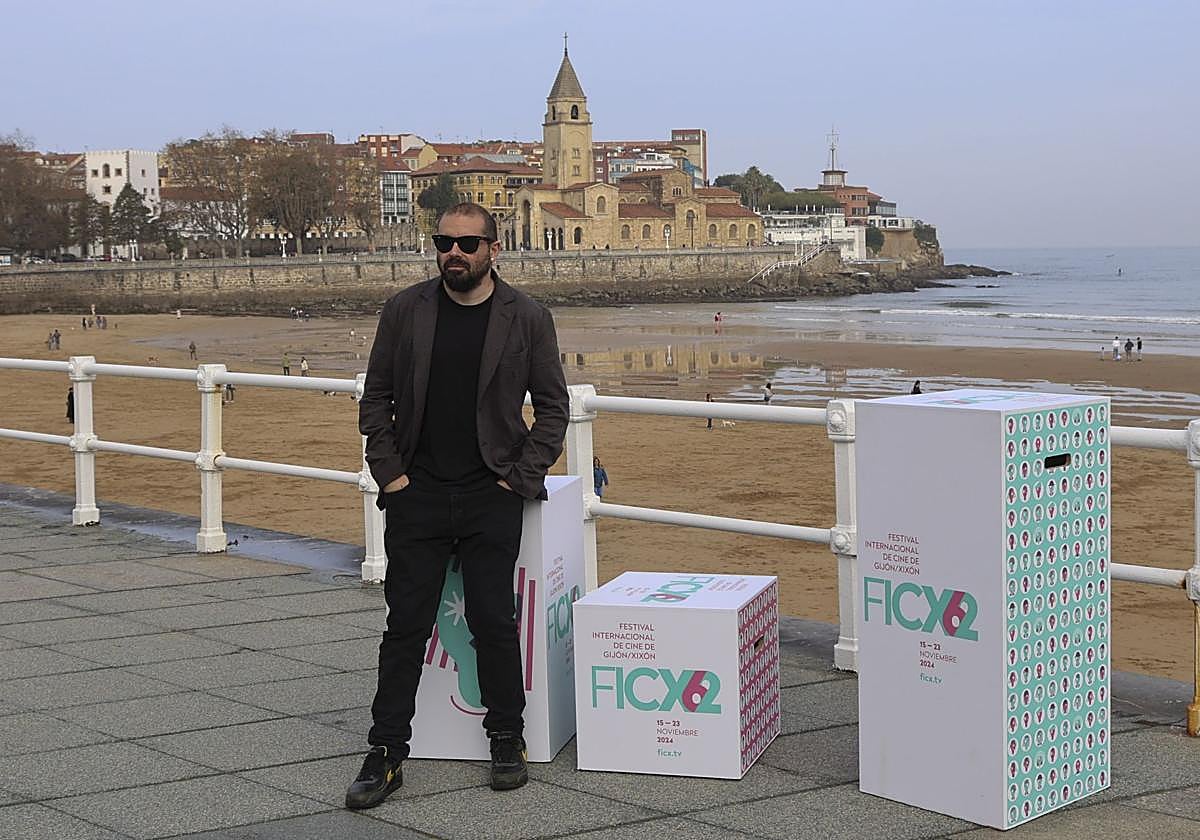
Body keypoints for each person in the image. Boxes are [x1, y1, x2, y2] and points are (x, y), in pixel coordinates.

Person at [349, 203, 568, 809]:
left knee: (494, 622)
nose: (455, 253)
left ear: (494, 249)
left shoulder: (527, 318)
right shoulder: (405, 311)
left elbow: (553, 409)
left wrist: (517, 480)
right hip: (415, 494)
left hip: (489, 494)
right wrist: (390, 477)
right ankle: (386, 752)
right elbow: (378, 399)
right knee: (404, 629)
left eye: (468, 243)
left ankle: (507, 738)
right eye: (445, 242)